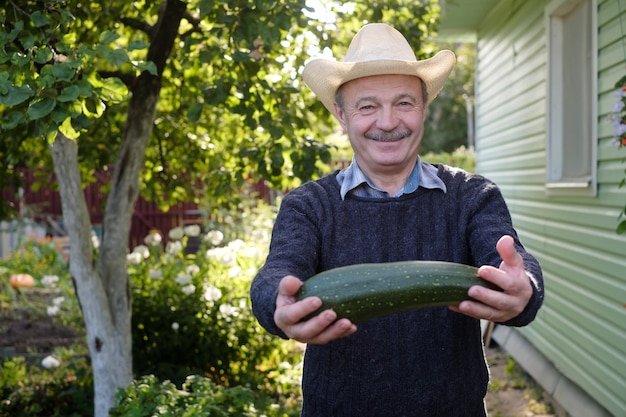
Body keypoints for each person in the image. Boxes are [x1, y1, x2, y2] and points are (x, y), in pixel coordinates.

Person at [250, 23, 544, 417]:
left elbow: (508, 261)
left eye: (404, 103)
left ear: (424, 108)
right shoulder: (309, 205)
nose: (388, 122)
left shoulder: (473, 195)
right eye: (367, 106)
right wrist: (276, 302)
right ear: (341, 114)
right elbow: (277, 274)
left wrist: (523, 286)